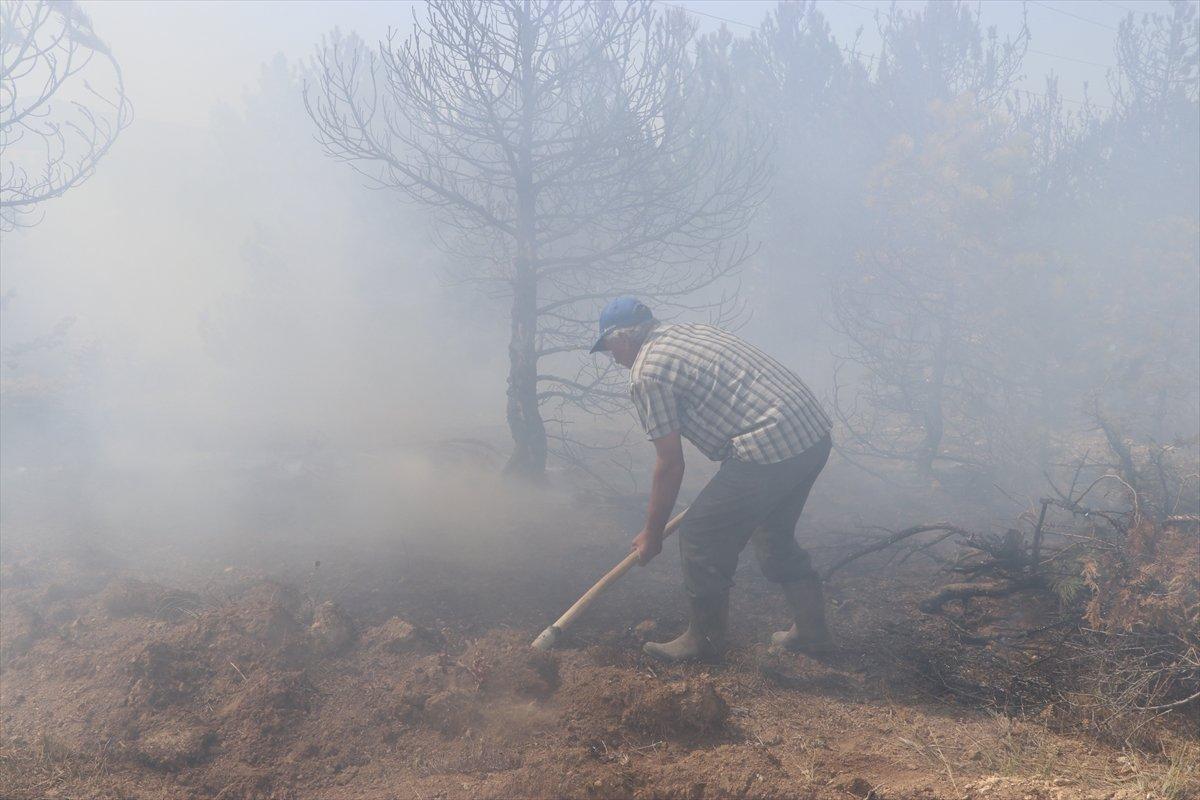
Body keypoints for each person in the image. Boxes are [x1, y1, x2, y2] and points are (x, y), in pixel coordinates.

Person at [589, 297, 834, 662]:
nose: (613, 358)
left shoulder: (646, 374)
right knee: (774, 534)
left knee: (702, 535)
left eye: (610, 349)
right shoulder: (691, 332)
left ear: (621, 339)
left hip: (770, 445)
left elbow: (670, 464)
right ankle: (813, 631)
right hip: (810, 434)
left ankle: (703, 642)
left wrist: (653, 533)